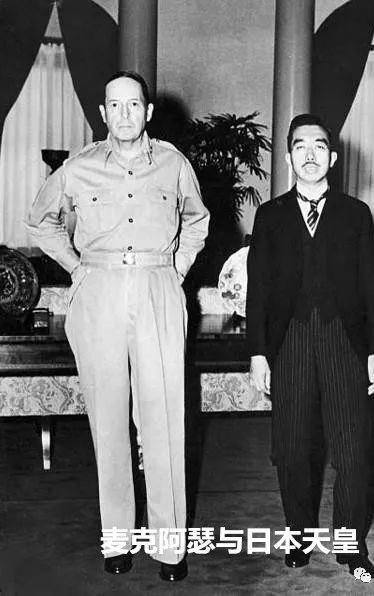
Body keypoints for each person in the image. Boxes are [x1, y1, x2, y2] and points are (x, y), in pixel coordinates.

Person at [26, 71, 209, 582]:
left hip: (157, 287)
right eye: (115, 105)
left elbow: (197, 220)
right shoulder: (78, 168)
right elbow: (40, 220)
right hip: (99, 289)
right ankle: (118, 539)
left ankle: (170, 547)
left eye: (134, 105)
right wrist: (76, 266)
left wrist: (176, 268)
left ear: (148, 112)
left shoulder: (173, 164)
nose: (124, 114)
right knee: (107, 419)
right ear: (103, 113)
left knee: (163, 417)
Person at [247, 114, 374, 579]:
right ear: (288, 158)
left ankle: (349, 542)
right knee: (291, 450)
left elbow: (372, 287)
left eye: (319, 146)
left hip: (343, 340)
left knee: (352, 450)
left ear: (333, 156)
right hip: (289, 342)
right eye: (300, 146)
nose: (310, 154)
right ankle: (298, 536)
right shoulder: (270, 216)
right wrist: (258, 353)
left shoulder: (356, 214)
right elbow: (258, 291)